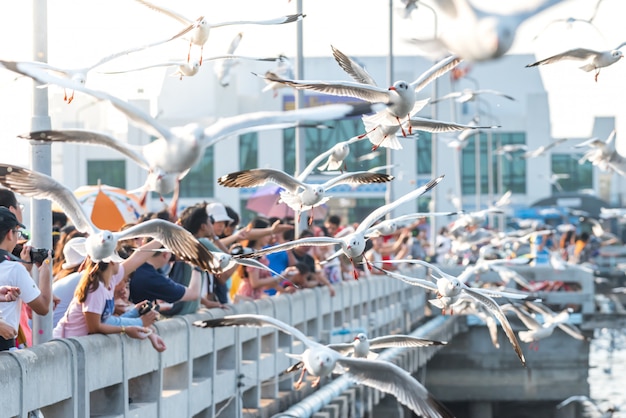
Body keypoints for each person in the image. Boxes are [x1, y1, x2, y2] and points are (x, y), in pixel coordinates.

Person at [53, 238, 163, 348]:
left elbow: (138, 257)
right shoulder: (95, 288)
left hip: (76, 347)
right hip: (66, 348)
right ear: (110, 261)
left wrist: (162, 237)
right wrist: (131, 327)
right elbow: (95, 327)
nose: (121, 263)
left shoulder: (110, 281)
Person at [0, 206, 52, 351]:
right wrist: (44, 271)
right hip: (4, 345)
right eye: (17, 232)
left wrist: (26, 269)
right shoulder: (14, 268)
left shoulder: (17, 268)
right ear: (10, 234)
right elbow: (43, 307)